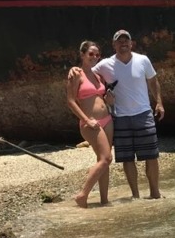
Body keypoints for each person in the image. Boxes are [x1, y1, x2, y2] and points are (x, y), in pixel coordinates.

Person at [92, 29, 164, 199]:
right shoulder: (105, 65)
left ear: (131, 43)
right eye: (119, 41)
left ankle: (155, 193)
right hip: (120, 117)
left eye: (126, 41)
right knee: (127, 158)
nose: (123, 44)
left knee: (151, 156)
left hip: (144, 114)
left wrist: (159, 102)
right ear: (114, 44)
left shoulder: (143, 60)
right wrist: (75, 70)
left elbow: (153, 81)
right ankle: (136, 195)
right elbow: (88, 74)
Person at [65, 40, 113, 207]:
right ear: (82, 55)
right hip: (90, 122)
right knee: (107, 158)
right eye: (91, 54)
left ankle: (104, 201)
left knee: (103, 161)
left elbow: (100, 98)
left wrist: (109, 100)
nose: (94, 57)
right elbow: (71, 101)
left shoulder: (98, 75)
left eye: (97, 54)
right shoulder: (76, 74)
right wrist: (86, 120)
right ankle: (82, 195)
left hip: (107, 120)